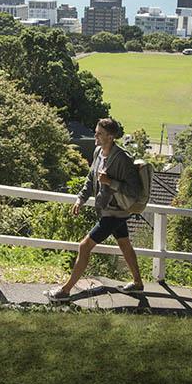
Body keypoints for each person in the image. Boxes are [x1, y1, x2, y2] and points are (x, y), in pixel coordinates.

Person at [45, 118, 144, 303]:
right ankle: (138, 283)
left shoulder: (122, 159)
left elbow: (134, 190)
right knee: (124, 243)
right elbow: (91, 179)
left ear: (111, 136)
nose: (95, 136)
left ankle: (65, 291)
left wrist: (110, 182)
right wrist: (80, 199)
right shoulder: (98, 152)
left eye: (99, 133)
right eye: (96, 132)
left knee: (84, 246)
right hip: (107, 210)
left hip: (115, 213)